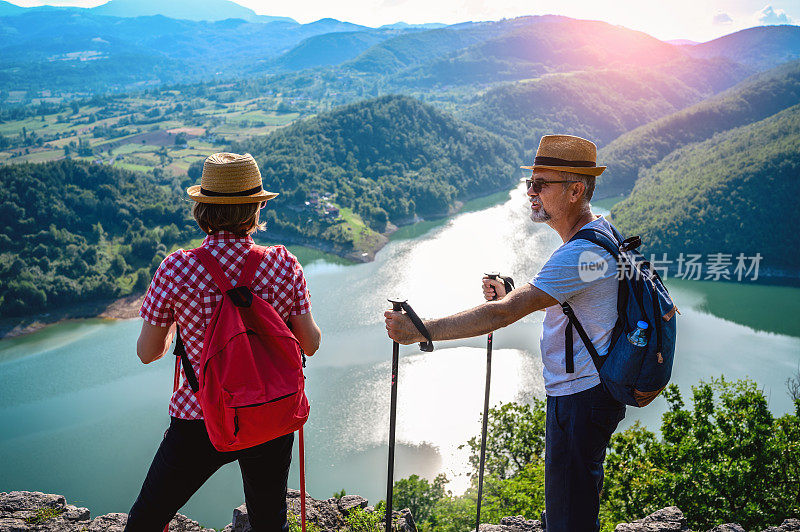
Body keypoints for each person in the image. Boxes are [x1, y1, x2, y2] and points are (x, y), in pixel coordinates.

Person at [384, 135, 625, 532]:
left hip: (580, 397)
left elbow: (505, 313)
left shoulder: (582, 254)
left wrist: (420, 329)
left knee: (569, 516)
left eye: (540, 184)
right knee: (571, 500)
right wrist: (515, 295)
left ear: (575, 190)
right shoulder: (598, 237)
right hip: (589, 393)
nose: (530, 192)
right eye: (530, 183)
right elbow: (562, 302)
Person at [126, 152, 321, 532]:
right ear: (257, 207)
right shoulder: (284, 264)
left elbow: (147, 353)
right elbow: (310, 344)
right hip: (270, 413)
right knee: (269, 523)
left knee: (147, 519)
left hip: (200, 414)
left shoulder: (177, 268)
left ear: (202, 207)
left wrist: (179, 331)